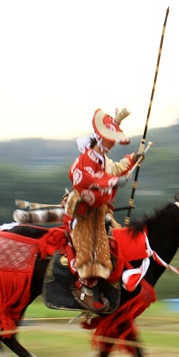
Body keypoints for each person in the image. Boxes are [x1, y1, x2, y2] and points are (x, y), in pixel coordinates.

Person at [65, 108, 143, 311]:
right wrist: (115, 180)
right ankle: (83, 288)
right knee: (87, 245)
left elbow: (114, 170)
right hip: (83, 209)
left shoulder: (104, 161)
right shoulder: (86, 159)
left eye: (112, 142)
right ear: (99, 139)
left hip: (99, 210)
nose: (111, 145)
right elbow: (91, 178)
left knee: (105, 244)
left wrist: (134, 158)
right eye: (109, 141)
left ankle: (109, 283)